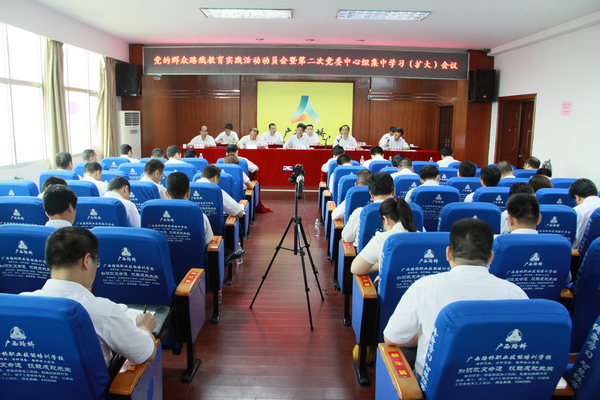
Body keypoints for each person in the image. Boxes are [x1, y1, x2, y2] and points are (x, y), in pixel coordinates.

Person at [383, 218, 528, 380]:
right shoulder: (516, 294)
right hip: (497, 384)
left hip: (433, 386)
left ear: (448, 253)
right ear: (490, 257)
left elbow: (392, 338)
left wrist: (428, 334)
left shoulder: (425, 287)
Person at [21, 227, 157, 367]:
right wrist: (144, 326)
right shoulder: (102, 310)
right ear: (86, 260)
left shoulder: (20, 303)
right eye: (96, 260)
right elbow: (145, 353)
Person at [351, 196, 418, 280]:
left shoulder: (382, 238)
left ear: (386, 219)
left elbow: (355, 269)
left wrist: (381, 264)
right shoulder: (423, 235)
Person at [342, 172, 395, 247]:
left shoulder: (360, 213)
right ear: (394, 191)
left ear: (371, 194)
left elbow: (346, 237)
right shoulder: (406, 211)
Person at [165, 172, 214, 245]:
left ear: (167, 194)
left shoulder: (154, 216)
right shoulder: (200, 217)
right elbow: (210, 243)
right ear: (189, 193)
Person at [569, 178, 600, 251]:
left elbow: (574, 243)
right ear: (597, 195)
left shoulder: (576, 211)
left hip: (583, 254)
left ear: (577, 198)